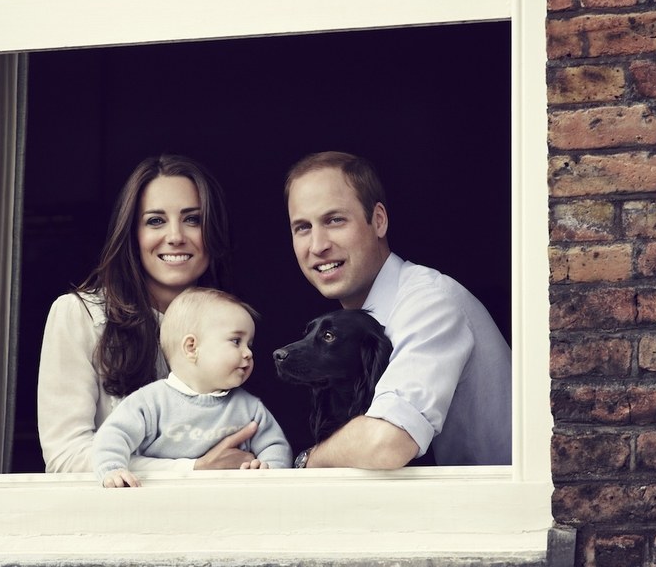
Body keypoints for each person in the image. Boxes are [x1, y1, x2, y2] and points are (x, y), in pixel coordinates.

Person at [284, 151, 511, 469]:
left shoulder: (431, 303)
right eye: (302, 228)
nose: (318, 245)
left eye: (334, 220)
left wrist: (308, 461)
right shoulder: (358, 326)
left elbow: (387, 443)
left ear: (378, 220)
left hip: (499, 514)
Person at [37, 154, 260, 473]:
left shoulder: (233, 321)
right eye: (156, 220)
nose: (175, 236)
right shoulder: (78, 314)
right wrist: (192, 468)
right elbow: (66, 457)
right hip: (115, 517)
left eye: (193, 219)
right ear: (132, 233)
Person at [93, 287, 293, 487]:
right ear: (191, 348)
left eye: (249, 344)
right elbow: (113, 435)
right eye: (236, 341)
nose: (248, 353)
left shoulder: (250, 408)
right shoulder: (150, 402)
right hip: (163, 502)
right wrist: (112, 469)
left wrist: (268, 471)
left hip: (228, 505)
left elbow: (276, 446)